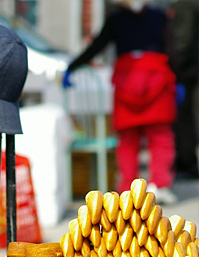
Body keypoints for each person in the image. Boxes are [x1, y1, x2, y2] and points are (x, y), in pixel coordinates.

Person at [63, 0, 178, 205]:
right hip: (158, 79)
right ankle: (160, 185)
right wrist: (179, 79)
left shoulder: (116, 19)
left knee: (128, 140)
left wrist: (72, 66)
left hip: (126, 81)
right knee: (160, 137)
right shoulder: (160, 17)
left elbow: (97, 46)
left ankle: (128, 189)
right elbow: (172, 49)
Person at [168, 0, 199, 179]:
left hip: (184, 69)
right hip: (187, 67)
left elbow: (184, 39)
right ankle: (184, 160)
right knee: (183, 116)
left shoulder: (185, 4)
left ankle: (187, 162)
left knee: (183, 116)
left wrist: (174, 63)